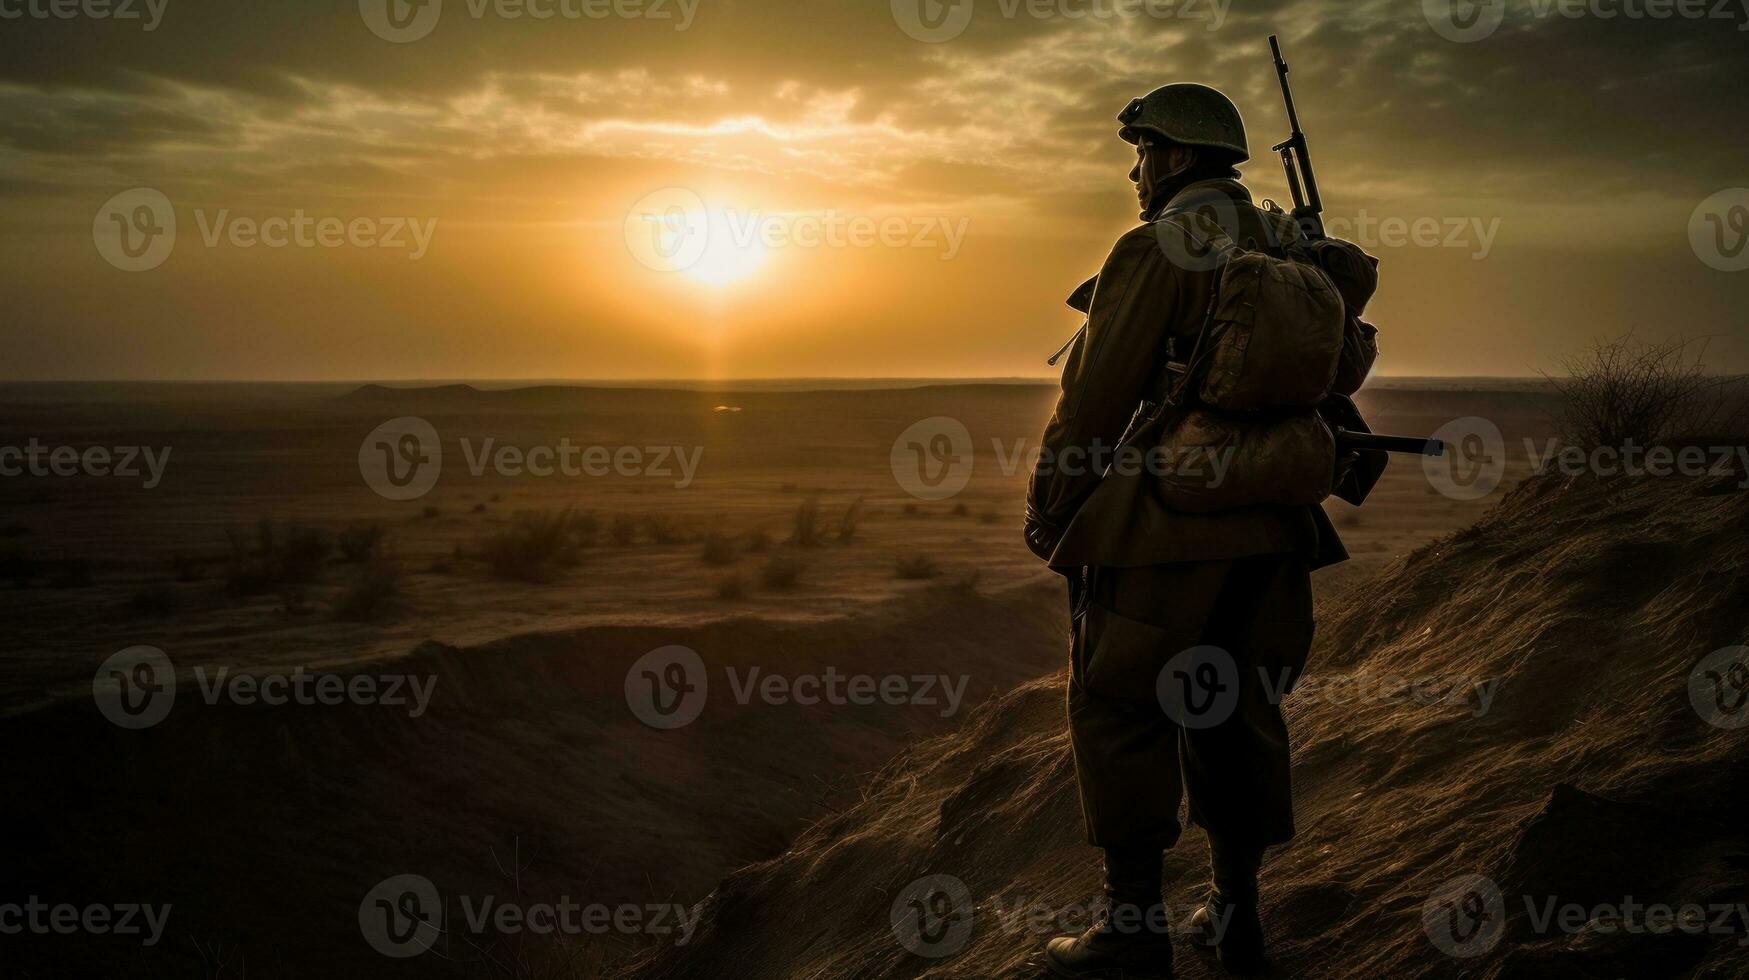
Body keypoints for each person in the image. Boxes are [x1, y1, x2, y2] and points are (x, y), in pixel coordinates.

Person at [1026, 82, 1378, 979]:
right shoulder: (1286, 245)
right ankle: (1235, 912)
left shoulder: (1152, 248)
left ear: (1176, 157)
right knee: (1237, 707)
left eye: (1142, 153)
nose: (1135, 172)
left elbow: (1093, 399)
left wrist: (1052, 506)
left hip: (1165, 525)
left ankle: (1131, 930)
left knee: (1121, 709)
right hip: (1275, 520)